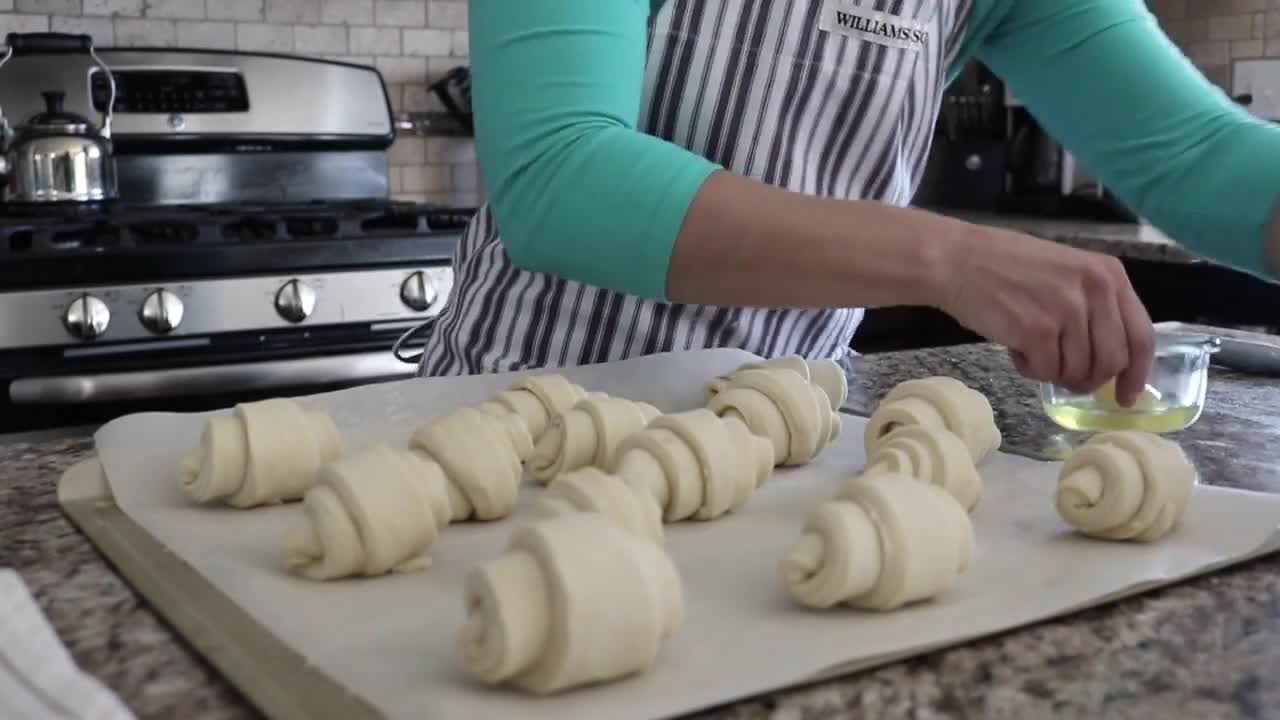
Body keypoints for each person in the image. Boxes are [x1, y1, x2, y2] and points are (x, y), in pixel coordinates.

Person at [415, 0, 1280, 407]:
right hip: (514, 426)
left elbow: (1198, 152)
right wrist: (950, 258)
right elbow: (562, 178)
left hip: (775, 442)